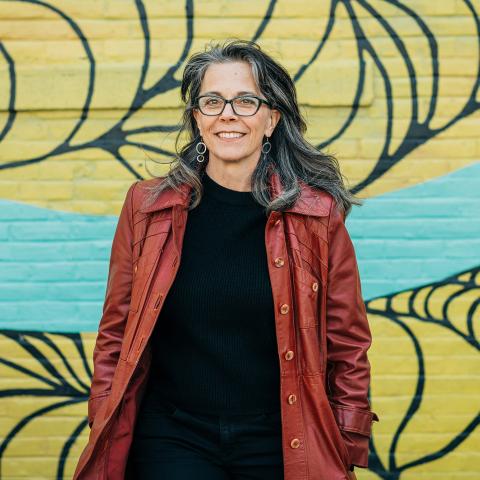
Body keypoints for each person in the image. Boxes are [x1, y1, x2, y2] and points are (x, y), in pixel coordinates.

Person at [73, 39, 379, 480]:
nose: (227, 114)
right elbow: (116, 329)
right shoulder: (148, 207)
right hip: (172, 435)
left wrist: (347, 438)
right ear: (197, 119)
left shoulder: (316, 216)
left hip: (281, 437)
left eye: (246, 101)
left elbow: (347, 343)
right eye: (212, 101)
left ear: (272, 119)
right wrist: (104, 413)